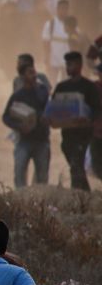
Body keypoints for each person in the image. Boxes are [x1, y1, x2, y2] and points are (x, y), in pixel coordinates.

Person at [50, 51, 101, 191]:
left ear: (79, 65)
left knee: (76, 165)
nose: (68, 67)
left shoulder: (89, 87)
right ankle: (85, 195)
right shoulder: (62, 87)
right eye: (66, 64)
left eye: (70, 64)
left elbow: (97, 109)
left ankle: (77, 195)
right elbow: (53, 107)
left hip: (83, 135)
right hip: (67, 135)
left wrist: (88, 119)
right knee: (76, 166)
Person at [2, 62, 51, 187]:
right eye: (30, 72)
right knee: (19, 175)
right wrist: (19, 127)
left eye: (34, 72)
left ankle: (39, 204)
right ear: (23, 76)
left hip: (42, 140)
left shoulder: (43, 92)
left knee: (42, 178)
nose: (34, 75)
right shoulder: (18, 96)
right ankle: (21, 202)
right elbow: (6, 117)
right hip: (24, 141)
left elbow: (49, 108)